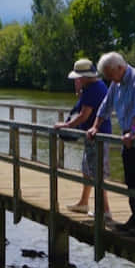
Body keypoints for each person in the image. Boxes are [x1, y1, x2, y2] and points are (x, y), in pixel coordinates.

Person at [86, 52, 135, 238]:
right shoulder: (116, 83)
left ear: (120, 68)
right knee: (131, 179)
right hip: (128, 135)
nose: (110, 79)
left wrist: (134, 132)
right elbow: (105, 106)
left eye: (111, 75)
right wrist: (95, 127)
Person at [54, 58, 111, 219]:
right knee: (87, 170)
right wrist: (79, 90)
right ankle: (84, 203)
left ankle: (105, 211)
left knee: (97, 173)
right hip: (92, 136)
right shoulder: (95, 86)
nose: (77, 80)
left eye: (78, 78)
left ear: (85, 76)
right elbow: (83, 108)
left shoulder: (93, 89)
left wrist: (66, 126)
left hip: (97, 136)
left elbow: (83, 115)